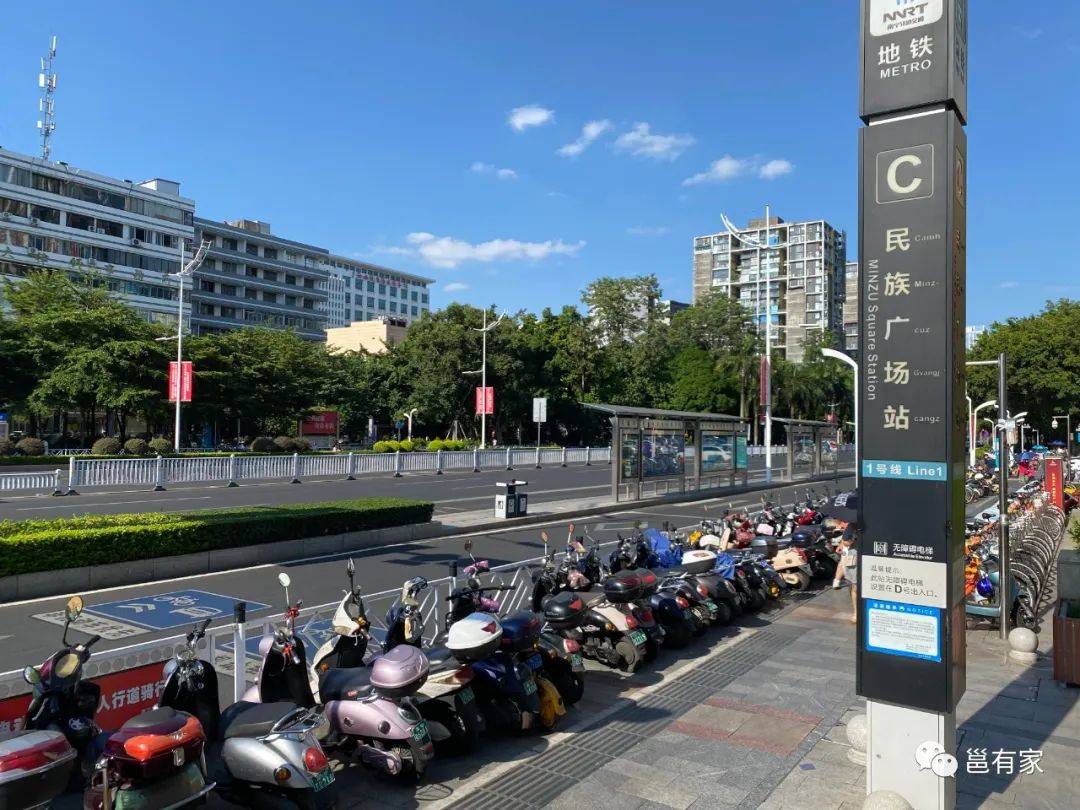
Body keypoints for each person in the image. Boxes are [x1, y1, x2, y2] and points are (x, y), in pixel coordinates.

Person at [832, 525, 859, 623]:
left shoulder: (853, 524)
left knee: (855, 588)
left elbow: (846, 541)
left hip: (856, 556)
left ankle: (856, 614)